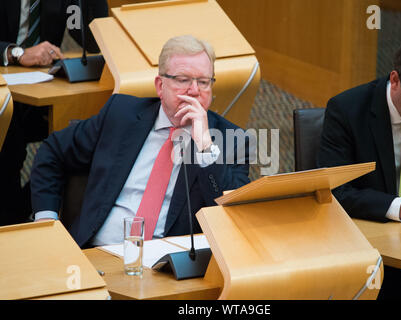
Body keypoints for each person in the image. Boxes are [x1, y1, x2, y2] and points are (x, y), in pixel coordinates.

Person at [30, 35, 251, 248]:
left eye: (203, 82)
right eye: (183, 80)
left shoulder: (231, 139)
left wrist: (205, 146)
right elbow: (53, 151)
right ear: (160, 86)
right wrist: (46, 221)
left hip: (169, 269)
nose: (194, 91)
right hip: (97, 252)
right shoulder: (120, 114)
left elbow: (231, 214)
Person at [318, 35, 401, 225]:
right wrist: (400, 207)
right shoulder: (346, 110)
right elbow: (335, 191)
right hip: (375, 227)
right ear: (395, 80)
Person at [0, 0, 108, 226]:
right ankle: (11, 219)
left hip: (41, 86)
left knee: (73, 136)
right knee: (11, 147)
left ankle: (27, 211)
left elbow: (90, 38)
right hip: (4, 88)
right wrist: (15, 53)